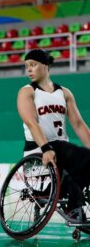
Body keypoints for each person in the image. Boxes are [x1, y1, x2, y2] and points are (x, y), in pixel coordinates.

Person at [18, 49, 90, 220]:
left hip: (61, 149)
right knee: (82, 157)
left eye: (33, 65)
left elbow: (79, 125)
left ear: (46, 66)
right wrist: (46, 148)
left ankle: (65, 202)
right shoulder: (27, 92)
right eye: (27, 66)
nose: (29, 70)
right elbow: (31, 123)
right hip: (38, 149)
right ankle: (73, 207)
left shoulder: (64, 93)